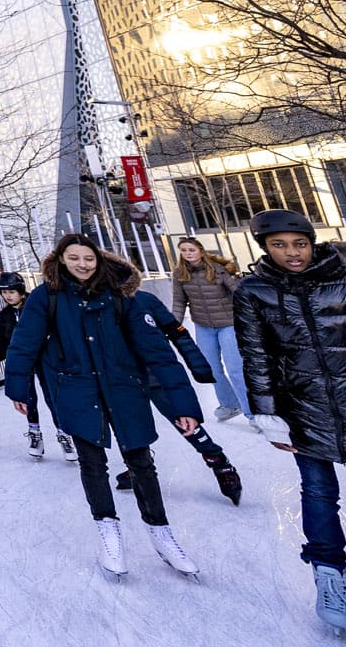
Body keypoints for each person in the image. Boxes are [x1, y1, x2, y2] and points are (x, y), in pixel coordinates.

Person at [3, 233, 201, 579]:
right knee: (92, 462)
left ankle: (161, 532)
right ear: (61, 260)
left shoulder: (122, 296)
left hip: (124, 387)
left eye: (88, 258)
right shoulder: (45, 297)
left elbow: (158, 353)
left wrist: (182, 405)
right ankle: (109, 532)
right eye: (74, 258)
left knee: (141, 461)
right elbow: (24, 344)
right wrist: (19, 388)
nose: (82, 264)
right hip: (77, 390)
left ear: (99, 260)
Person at [234, 208, 346, 633]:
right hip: (302, 407)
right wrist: (266, 413)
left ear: (312, 242)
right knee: (319, 492)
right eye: (279, 245)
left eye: (299, 244)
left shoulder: (341, 277)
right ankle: (330, 574)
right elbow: (256, 354)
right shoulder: (253, 291)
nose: (292, 253)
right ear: (264, 247)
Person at [112, 287, 243, 506]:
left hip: (155, 374)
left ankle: (218, 461)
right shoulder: (89, 304)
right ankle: (138, 465)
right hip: (120, 378)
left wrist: (198, 366)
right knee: (129, 426)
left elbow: (178, 332)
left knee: (184, 420)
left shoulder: (144, 299)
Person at [0, 272, 74, 461]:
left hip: (45, 359)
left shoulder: (37, 305)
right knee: (27, 397)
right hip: (23, 362)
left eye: (12, 292)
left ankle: (64, 434)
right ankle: (35, 433)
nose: (8, 296)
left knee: (52, 397)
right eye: (4, 292)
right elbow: (1, 340)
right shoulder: (5, 315)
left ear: (21, 291)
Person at [170, 236, 246, 421]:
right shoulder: (180, 274)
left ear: (201, 251)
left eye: (191, 250)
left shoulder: (218, 269)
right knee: (211, 369)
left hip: (227, 324)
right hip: (204, 326)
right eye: (184, 250)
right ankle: (230, 404)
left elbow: (239, 293)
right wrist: (172, 325)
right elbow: (179, 302)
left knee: (235, 369)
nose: (188, 254)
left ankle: (253, 414)